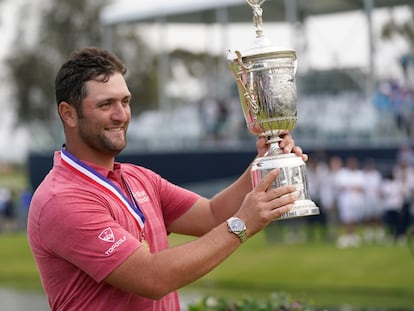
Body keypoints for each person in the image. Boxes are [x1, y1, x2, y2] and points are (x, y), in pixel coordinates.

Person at [27, 47, 306, 311]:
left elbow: (211, 215)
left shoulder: (138, 178)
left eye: (125, 101)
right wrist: (242, 224)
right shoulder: (62, 199)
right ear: (68, 114)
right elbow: (151, 278)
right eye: (105, 104)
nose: (121, 115)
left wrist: (265, 162)